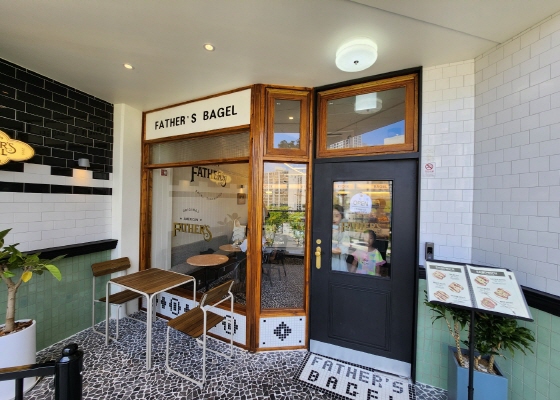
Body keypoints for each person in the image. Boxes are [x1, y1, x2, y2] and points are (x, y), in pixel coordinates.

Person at [332, 205, 350, 272]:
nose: (333, 218)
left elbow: (341, 249)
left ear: (341, 217)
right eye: (331, 215)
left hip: (338, 262)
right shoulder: (326, 228)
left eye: (336, 216)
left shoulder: (343, 230)